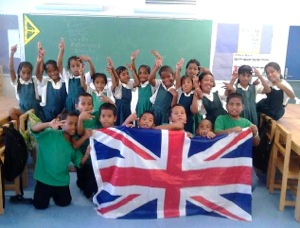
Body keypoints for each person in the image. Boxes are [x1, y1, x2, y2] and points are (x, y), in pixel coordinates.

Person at [30, 111, 91, 209]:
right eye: (70, 123)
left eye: (76, 124)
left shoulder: (74, 143)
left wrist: (87, 153)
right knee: (39, 206)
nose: (74, 127)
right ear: (62, 124)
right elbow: (33, 128)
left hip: (61, 181)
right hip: (44, 179)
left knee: (65, 202)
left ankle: (53, 194)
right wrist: (49, 124)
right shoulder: (50, 134)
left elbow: (79, 162)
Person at [214, 93, 260, 190]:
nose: (234, 107)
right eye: (231, 104)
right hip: (224, 159)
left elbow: (256, 143)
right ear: (226, 106)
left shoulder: (246, 123)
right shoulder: (220, 119)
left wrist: (255, 133)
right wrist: (231, 130)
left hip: (242, 160)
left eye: (238, 104)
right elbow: (216, 134)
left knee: (252, 182)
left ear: (242, 107)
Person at [8, 44, 44, 127]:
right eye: (23, 73)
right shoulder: (17, 82)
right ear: (19, 72)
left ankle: (26, 127)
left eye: (28, 73)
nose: (26, 75)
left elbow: (40, 70)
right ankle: (19, 131)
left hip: (34, 111)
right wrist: (12, 53)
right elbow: (11, 69)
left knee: (31, 123)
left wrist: (40, 58)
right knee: (11, 111)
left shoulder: (34, 81)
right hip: (23, 110)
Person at [74, 92, 101, 198]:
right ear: (77, 106)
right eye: (83, 104)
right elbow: (80, 133)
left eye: (89, 104)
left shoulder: (97, 115)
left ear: (93, 106)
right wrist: (80, 119)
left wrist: (110, 101)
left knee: (93, 186)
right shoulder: (75, 120)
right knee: (81, 184)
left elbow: (109, 114)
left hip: (95, 158)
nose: (86, 106)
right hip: (83, 158)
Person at [57, 38, 96, 111]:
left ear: (83, 65)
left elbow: (93, 73)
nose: (76, 68)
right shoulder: (68, 77)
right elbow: (59, 65)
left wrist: (89, 60)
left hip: (82, 104)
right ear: (69, 68)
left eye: (78, 65)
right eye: (73, 66)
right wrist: (61, 51)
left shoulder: (85, 76)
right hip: (70, 103)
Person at [35, 41, 67, 122]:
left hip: (61, 115)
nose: (53, 73)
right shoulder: (46, 82)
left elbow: (66, 102)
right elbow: (37, 74)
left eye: (55, 70)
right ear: (46, 73)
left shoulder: (65, 82)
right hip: (46, 115)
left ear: (58, 69)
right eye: (49, 71)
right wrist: (39, 61)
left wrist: (61, 50)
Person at [107, 57, 139, 126]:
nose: (127, 76)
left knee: (128, 127)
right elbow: (116, 78)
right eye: (123, 74)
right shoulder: (118, 86)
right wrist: (112, 69)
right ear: (119, 77)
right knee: (120, 126)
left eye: (127, 73)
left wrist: (132, 70)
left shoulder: (129, 84)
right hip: (119, 110)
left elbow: (137, 83)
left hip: (127, 109)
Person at [149, 55, 178, 126]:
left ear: (173, 76)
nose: (166, 79)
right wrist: (157, 67)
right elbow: (150, 79)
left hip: (165, 115)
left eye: (169, 76)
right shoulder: (159, 84)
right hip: (154, 112)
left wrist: (175, 96)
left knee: (161, 131)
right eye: (163, 78)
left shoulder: (175, 88)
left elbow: (173, 106)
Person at [175, 58, 198, 134]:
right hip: (179, 120)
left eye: (195, 69)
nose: (192, 71)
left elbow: (194, 110)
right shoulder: (181, 91)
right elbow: (178, 82)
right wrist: (178, 69)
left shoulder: (195, 92)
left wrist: (196, 86)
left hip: (190, 121)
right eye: (190, 68)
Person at [131, 49, 155, 118]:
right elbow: (134, 72)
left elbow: (153, 72)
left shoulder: (150, 84)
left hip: (148, 107)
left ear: (149, 74)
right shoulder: (139, 84)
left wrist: (156, 62)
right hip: (140, 107)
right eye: (140, 73)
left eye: (145, 73)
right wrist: (133, 60)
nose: (142, 75)